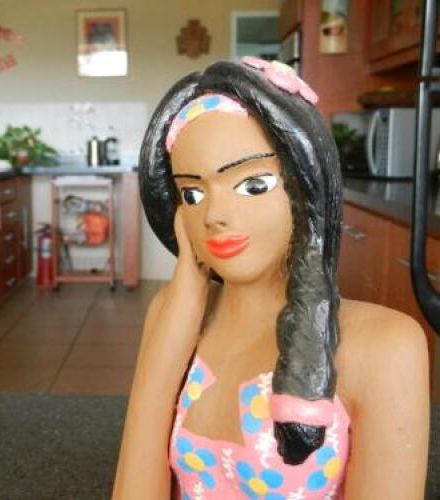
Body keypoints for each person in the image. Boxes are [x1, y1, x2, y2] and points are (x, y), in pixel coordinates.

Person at [112, 58, 430, 499]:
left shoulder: (385, 344)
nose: (215, 215)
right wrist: (180, 302)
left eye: (253, 185)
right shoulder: (170, 314)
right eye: (193, 193)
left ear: (306, 185)